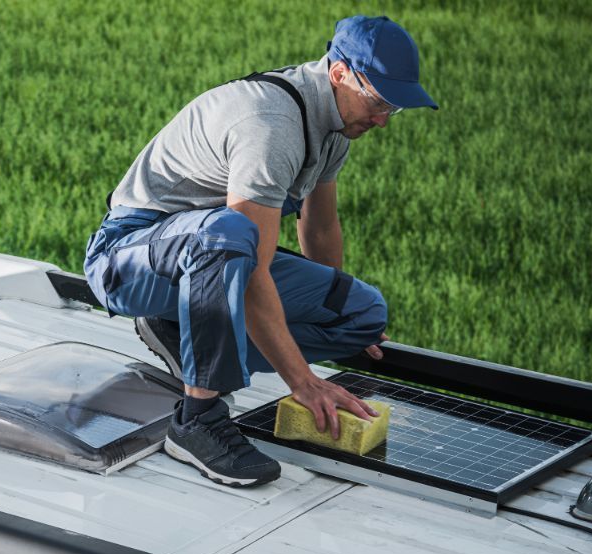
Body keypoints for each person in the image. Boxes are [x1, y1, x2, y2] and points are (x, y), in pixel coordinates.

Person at [84, 16, 438, 487]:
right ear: (338, 74)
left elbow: (320, 223)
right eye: (378, 102)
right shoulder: (272, 125)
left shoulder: (333, 124)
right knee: (229, 236)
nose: (380, 119)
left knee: (362, 313)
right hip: (128, 258)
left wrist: (329, 301)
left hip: (208, 252)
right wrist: (303, 381)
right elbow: (250, 270)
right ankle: (197, 420)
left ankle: (179, 329)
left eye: (392, 109)